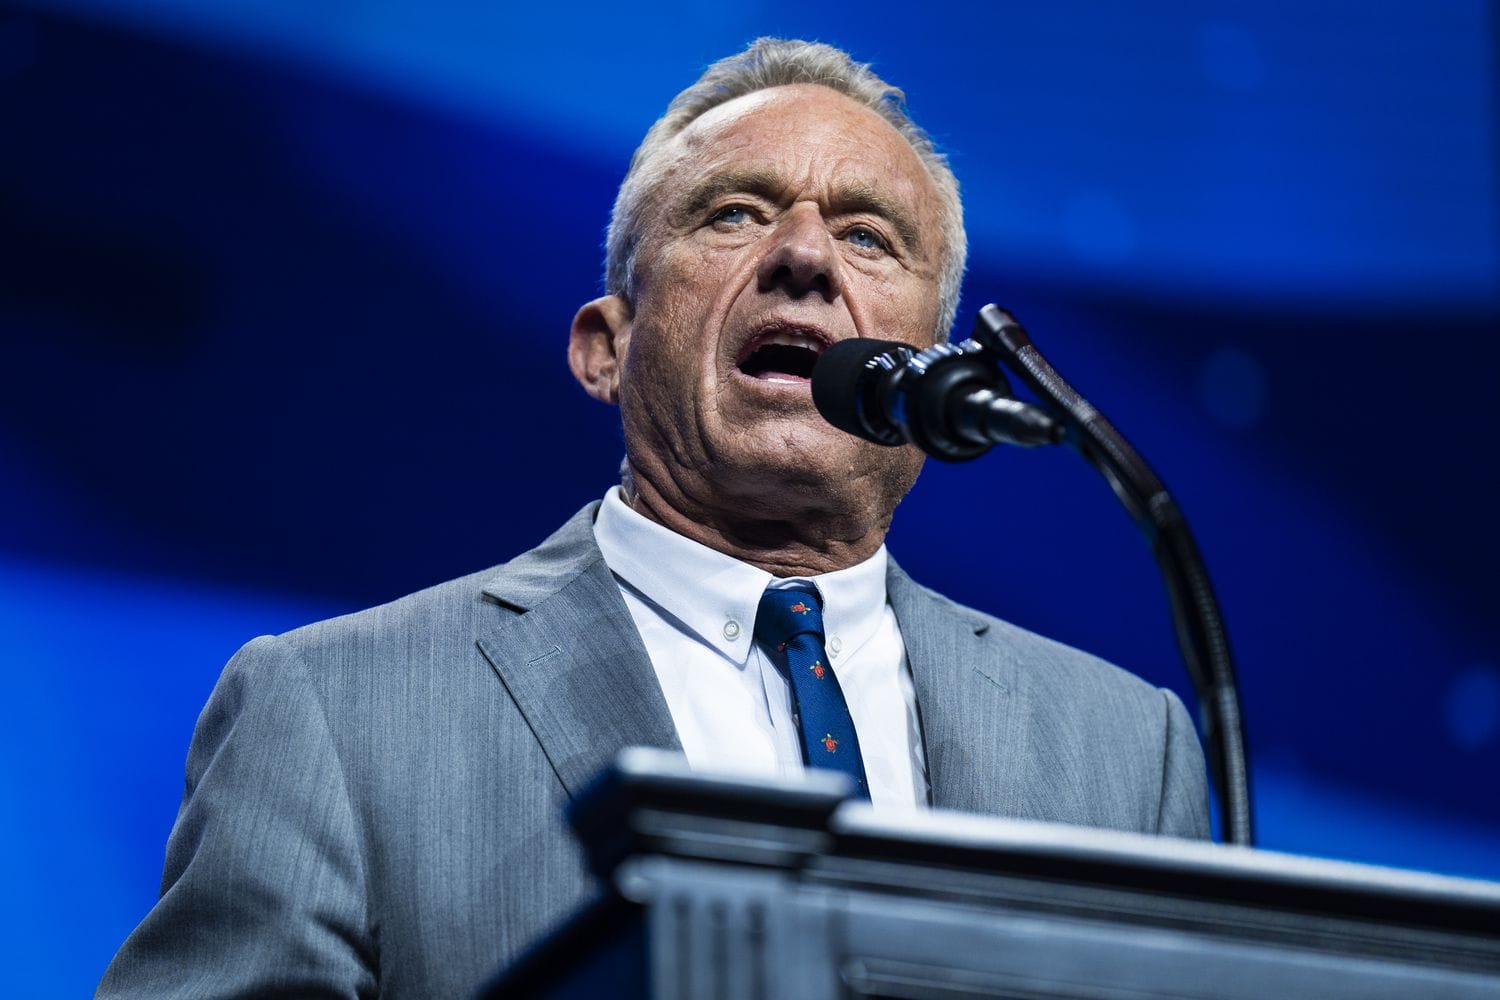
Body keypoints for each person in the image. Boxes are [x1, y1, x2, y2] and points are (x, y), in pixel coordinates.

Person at [98, 37, 1209, 999]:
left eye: (871, 238)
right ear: (607, 347)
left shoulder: (1124, 751)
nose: (807, 257)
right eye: (734, 213)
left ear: (931, 369)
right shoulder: (335, 717)